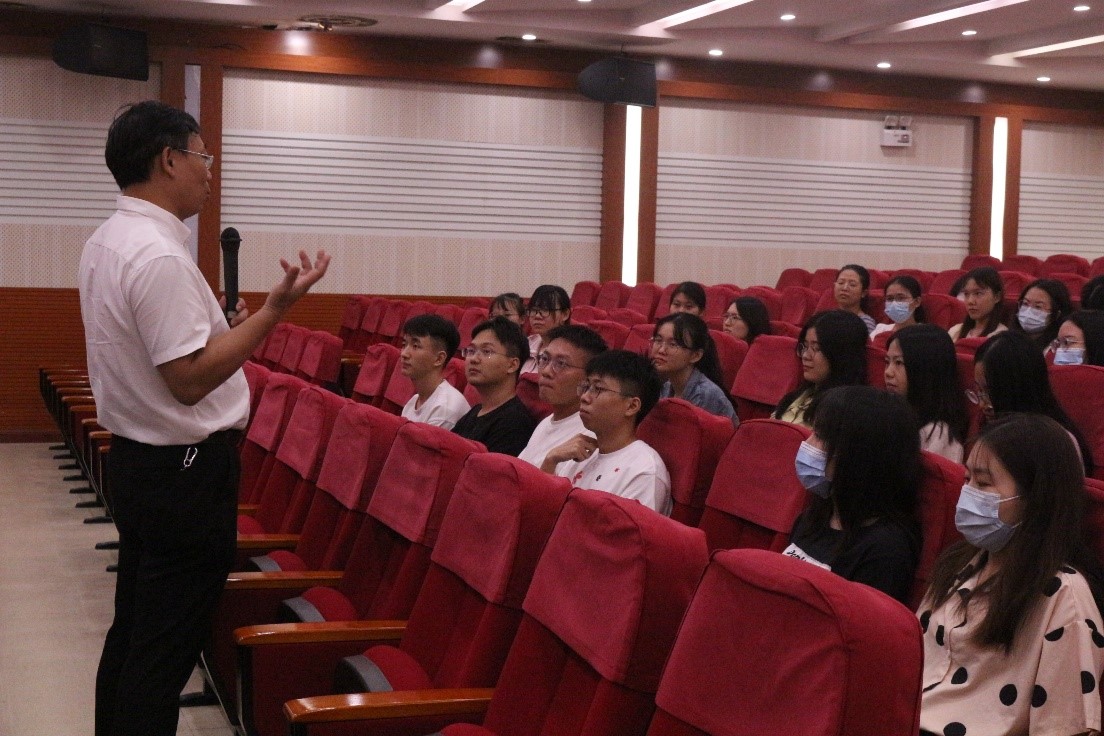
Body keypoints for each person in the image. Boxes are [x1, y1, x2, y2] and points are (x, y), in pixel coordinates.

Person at [83, 101, 330, 736]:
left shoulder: (110, 240)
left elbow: (162, 355)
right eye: (203, 156)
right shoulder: (158, 255)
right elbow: (189, 380)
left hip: (142, 461)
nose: (210, 171)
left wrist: (224, 327)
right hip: (184, 473)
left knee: (135, 632)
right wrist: (273, 313)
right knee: (163, 651)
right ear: (168, 160)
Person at [917, 413, 1104, 736]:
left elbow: (1065, 725)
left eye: (983, 484)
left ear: (1035, 499)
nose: (967, 494)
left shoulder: (1064, 596)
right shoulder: (960, 562)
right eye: (967, 479)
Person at [784, 385, 922, 604]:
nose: (808, 444)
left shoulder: (885, 551)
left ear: (857, 454)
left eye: (820, 436)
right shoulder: (813, 517)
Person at [550, 349, 671, 515]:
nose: (584, 397)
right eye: (586, 387)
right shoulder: (580, 449)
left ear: (632, 406)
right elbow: (546, 513)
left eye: (598, 389)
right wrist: (551, 460)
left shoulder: (644, 471)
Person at [973, 330, 1093, 475]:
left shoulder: (1054, 445)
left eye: (990, 392)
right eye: (979, 391)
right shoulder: (990, 428)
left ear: (1018, 388)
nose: (982, 404)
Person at [517, 324, 607, 472]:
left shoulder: (591, 437)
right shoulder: (546, 423)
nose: (546, 371)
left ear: (589, 378)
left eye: (561, 364)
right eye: (545, 359)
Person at [452, 316, 537, 456]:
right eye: (471, 351)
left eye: (487, 352)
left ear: (512, 365)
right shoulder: (475, 412)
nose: (473, 359)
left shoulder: (514, 423)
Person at [884, 324, 969, 463]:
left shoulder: (939, 436)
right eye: (887, 362)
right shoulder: (894, 414)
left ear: (926, 371)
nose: (888, 372)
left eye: (898, 363)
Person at [774, 310, 869, 428]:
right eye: (805, 346)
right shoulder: (800, 394)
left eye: (816, 348)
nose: (805, 356)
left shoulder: (845, 412)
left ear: (841, 355)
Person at [650, 312, 737, 424]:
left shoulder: (705, 395)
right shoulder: (666, 387)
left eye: (673, 344)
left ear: (696, 355)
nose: (661, 350)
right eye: (658, 340)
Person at [398, 314, 469, 430]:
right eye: (404, 345)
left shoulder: (445, 409)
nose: (404, 354)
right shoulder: (413, 402)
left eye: (415, 346)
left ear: (439, 359)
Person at [1010, 278, 1073, 351]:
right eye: (1025, 303)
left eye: (1038, 307)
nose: (1029, 311)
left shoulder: (1058, 349)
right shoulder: (1008, 340)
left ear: (1056, 314)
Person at [948, 267, 1009, 342]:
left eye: (978, 293)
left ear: (997, 297)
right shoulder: (955, 331)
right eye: (966, 294)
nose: (970, 301)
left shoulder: (1001, 337)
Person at [520, 284, 571, 373]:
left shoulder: (570, 351)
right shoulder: (526, 344)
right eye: (533, 310)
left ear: (565, 314)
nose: (537, 316)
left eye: (545, 310)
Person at [871, 274, 926, 340]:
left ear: (917, 302)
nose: (894, 303)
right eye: (890, 298)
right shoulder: (880, 330)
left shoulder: (926, 334)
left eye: (901, 298)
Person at [832, 264, 877, 334]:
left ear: (864, 293)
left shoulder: (865, 323)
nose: (844, 288)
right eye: (841, 283)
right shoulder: (825, 318)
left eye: (852, 285)